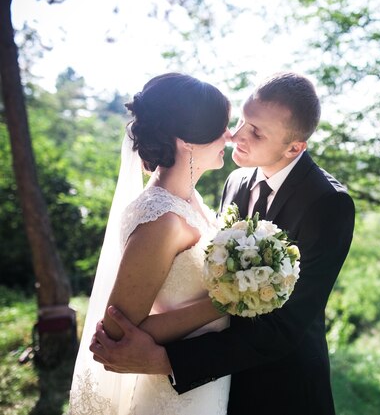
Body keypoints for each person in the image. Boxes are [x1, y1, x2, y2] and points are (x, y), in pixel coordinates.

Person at [91, 72, 356, 415]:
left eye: (256, 132)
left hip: (280, 390)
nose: (236, 136)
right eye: (243, 120)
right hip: (212, 386)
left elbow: (283, 326)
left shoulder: (327, 204)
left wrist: (167, 361)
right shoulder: (236, 181)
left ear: (294, 147)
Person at [69, 73, 233, 415]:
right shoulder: (161, 220)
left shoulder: (190, 200)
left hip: (202, 382)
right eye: (221, 127)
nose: (229, 136)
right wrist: (224, 303)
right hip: (172, 398)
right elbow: (115, 332)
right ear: (186, 139)